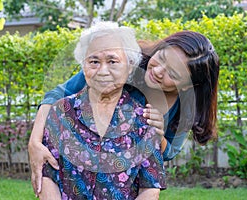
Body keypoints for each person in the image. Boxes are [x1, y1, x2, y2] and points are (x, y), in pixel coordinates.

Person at [28, 27, 220, 196]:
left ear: (189, 85)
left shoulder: (186, 108)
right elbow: (56, 95)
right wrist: (34, 142)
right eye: (160, 59)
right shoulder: (122, 63)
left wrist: (158, 134)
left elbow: (168, 152)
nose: (158, 71)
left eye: (173, 73)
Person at [38, 21, 167, 199]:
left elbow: (150, 188)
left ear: (129, 66)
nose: (102, 70)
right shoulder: (60, 112)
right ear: (84, 67)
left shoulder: (144, 120)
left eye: (112, 61)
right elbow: (47, 176)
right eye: (94, 61)